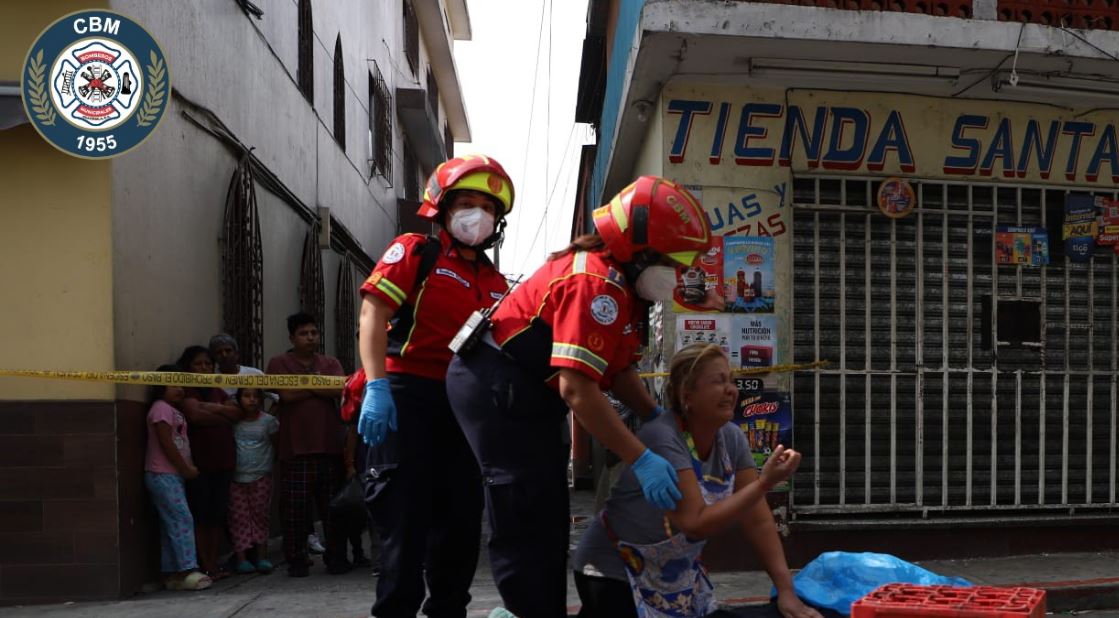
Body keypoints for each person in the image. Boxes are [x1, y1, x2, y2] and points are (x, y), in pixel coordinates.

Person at [445, 176, 716, 618]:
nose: (682, 274)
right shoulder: (597, 282)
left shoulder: (622, 291)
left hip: (525, 386)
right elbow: (578, 388)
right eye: (676, 261)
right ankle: (525, 610)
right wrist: (641, 457)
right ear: (641, 251)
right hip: (498, 385)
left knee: (548, 511)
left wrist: (656, 418)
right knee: (526, 509)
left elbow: (616, 369)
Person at [357, 154, 514, 617]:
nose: (477, 215)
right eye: (466, 203)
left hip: (465, 409)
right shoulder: (414, 251)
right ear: (441, 209)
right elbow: (373, 314)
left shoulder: (496, 281)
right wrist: (375, 386)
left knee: (461, 531)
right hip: (406, 399)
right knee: (403, 531)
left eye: (488, 208)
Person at [572, 344, 820, 618]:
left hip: (673, 573)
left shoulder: (732, 438)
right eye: (718, 381)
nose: (731, 390)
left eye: (731, 381)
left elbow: (758, 519)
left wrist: (786, 591)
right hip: (614, 573)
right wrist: (764, 483)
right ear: (687, 395)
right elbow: (695, 523)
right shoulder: (663, 437)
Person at [266, 312, 347, 577]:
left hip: (329, 446)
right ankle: (297, 561)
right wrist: (316, 386)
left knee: (332, 510)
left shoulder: (330, 362)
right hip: (296, 449)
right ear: (292, 337)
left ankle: (336, 559)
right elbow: (285, 396)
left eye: (313, 332)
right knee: (295, 511)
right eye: (304, 333)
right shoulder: (279, 363)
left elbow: (339, 391)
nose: (310, 337)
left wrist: (307, 387)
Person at [143, 364, 211, 591]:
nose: (179, 388)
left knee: (171, 522)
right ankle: (188, 570)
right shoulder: (161, 408)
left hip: (172, 475)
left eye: (181, 382)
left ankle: (172, 573)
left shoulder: (173, 409)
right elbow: (166, 442)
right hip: (163, 473)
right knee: (182, 519)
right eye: (173, 383)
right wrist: (184, 468)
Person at [178, 345, 243, 580]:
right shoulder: (187, 390)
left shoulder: (217, 390)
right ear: (188, 368)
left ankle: (214, 563)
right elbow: (194, 416)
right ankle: (204, 565)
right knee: (201, 516)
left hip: (224, 463)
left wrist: (211, 408)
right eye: (198, 364)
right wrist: (221, 412)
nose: (204, 368)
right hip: (200, 465)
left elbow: (236, 414)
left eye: (207, 363)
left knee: (216, 516)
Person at [228, 387, 279, 575]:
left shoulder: (269, 422)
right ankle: (242, 559)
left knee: (260, 516)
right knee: (238, 518)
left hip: (261, 475)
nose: (252, 400)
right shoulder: (233, 421)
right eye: (247, 396)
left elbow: (276, 444)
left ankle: (262, 557)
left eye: (256, 396)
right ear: (239, 399)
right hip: (236, 476)